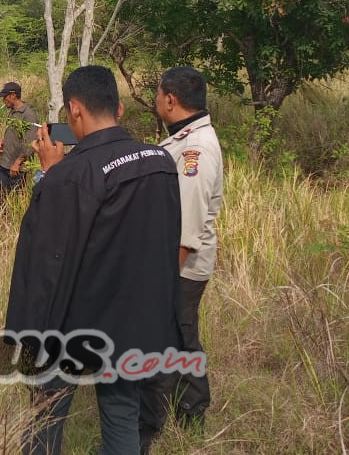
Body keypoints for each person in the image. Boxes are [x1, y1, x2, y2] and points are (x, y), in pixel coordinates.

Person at [5, 65, 181, 455]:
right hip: (134, 320)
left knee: (46, 415)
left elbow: (48, 258)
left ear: (74, 110)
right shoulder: (161, 161)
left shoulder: (71, 174)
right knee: (122, 413)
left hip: (72, 323)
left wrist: (51, 173)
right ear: (117, 108)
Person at [139, 66, 224, 448]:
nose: (157, 100)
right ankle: (170, 409)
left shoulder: (195, 150)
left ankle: (190, 413)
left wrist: (162, 278)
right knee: (175, 335)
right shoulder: (184, 138)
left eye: (158, 94)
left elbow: (187, 224)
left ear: (170, 99)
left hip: (182, 266)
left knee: (180, 335)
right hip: (173, 259)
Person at [0, 81, 39, 209]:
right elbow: (13, 133)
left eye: (5, 96)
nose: (4, 100)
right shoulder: (12, 112)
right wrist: (3, 141)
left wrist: (18, 163)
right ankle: (5, 225)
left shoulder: (29, 115)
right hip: (5, 163)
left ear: (13, 95)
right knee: (0, 196)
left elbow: (30, 143)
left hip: (16, 168)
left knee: (17, 200)